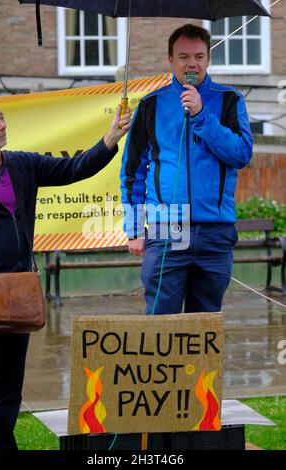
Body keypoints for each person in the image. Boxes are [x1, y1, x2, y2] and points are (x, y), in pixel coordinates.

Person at [0, 100, 131, 450]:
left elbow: (74, 169)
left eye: (1, 118)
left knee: (8, 387)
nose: (3, 125)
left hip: (17, 295)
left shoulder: (22, 164)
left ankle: (4, 445)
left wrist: (110, 137)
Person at [120, 24, 253, 316]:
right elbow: (133, 173)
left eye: (199, 56)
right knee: (160, 323)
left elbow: (241, 154)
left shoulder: (229, 99)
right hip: (166, 227)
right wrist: (133, 229)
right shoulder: (150, 104)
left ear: (208, 59)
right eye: (183, 57)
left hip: (215, 230)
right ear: (170, 59)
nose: (192, 63)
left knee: (204, 327)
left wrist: (202, 115)